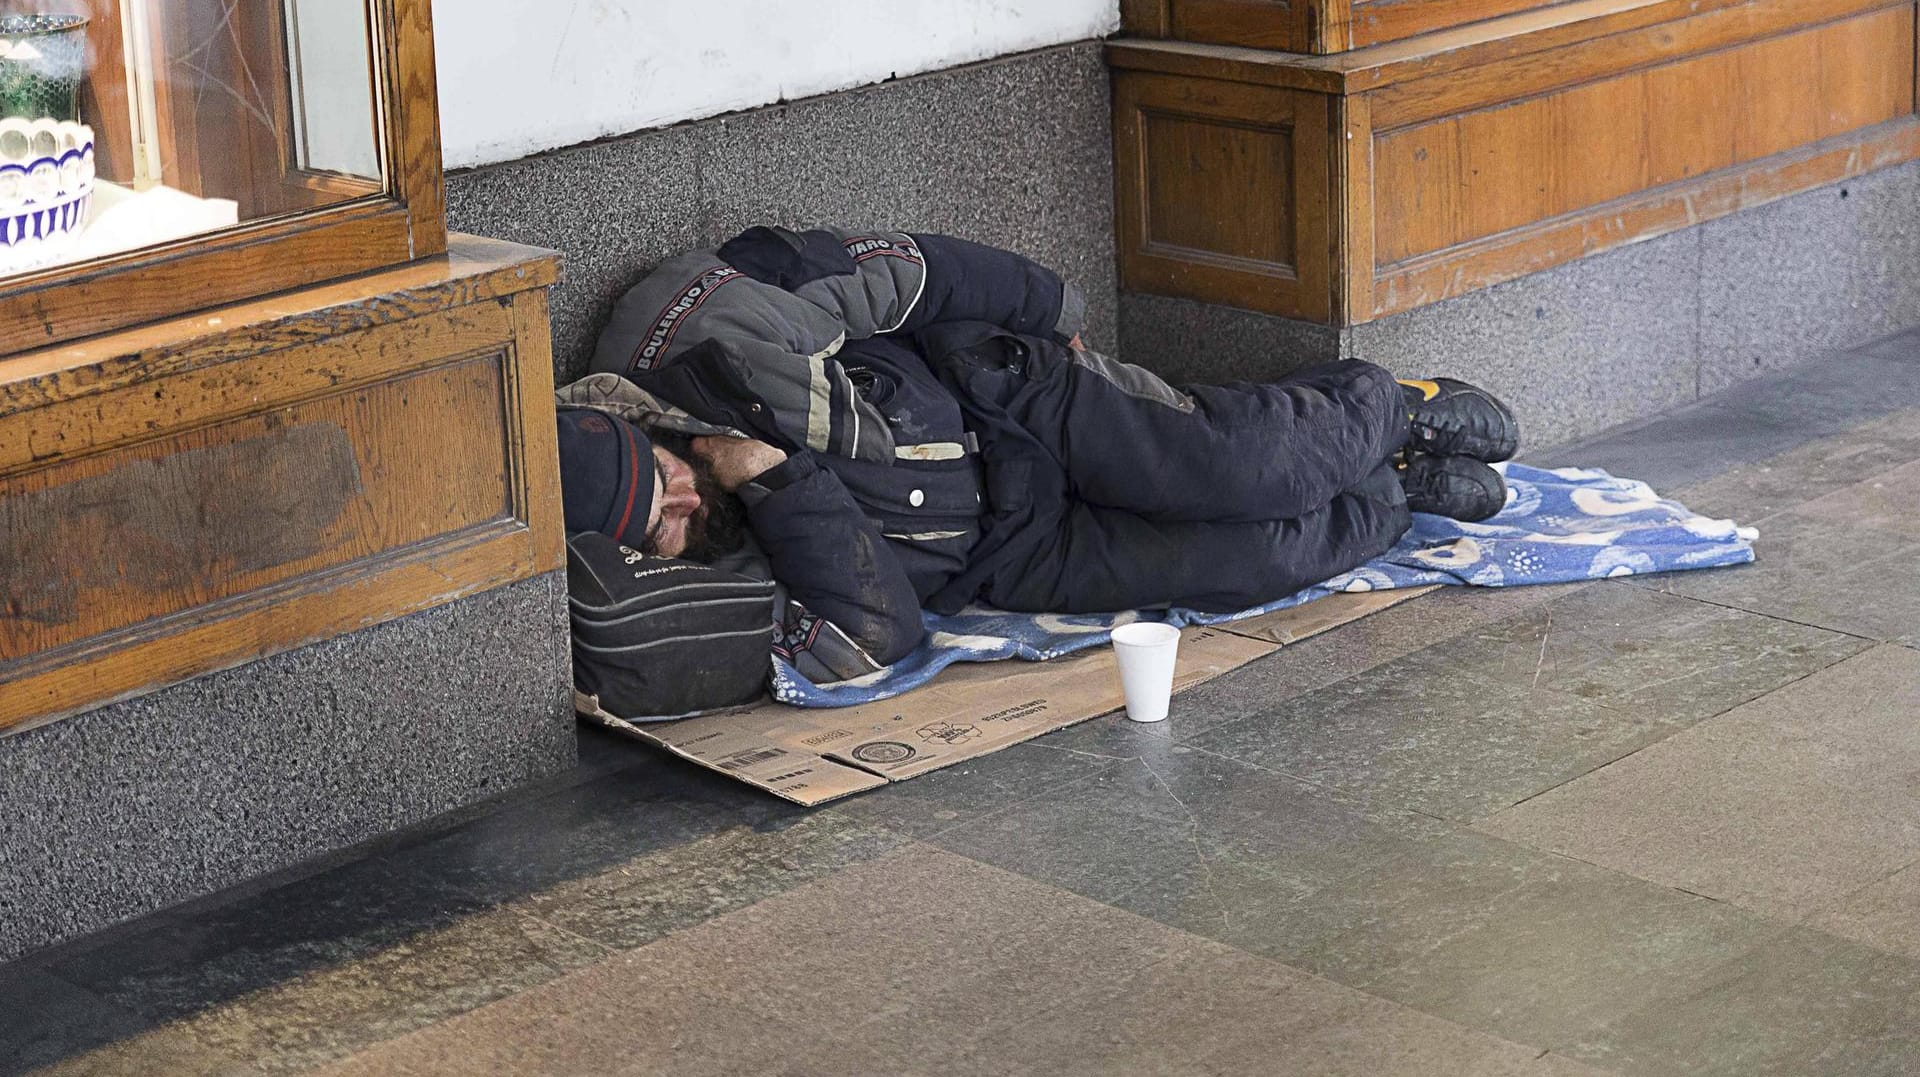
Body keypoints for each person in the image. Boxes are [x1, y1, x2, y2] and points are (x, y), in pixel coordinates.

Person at [557, 226, 1518, 683]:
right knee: (1252, 562)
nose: (685, 513)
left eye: (670, 487)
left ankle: (1393, 407)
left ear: (648, 428)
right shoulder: (711, 559)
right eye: (664, 530)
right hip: (1006, 553)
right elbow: (876, 636)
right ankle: (1394, 492)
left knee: (1243, 472)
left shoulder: (698, 329)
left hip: (1004, 400)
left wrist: (1046, 313)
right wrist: (776, 480)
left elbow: (897, 271)